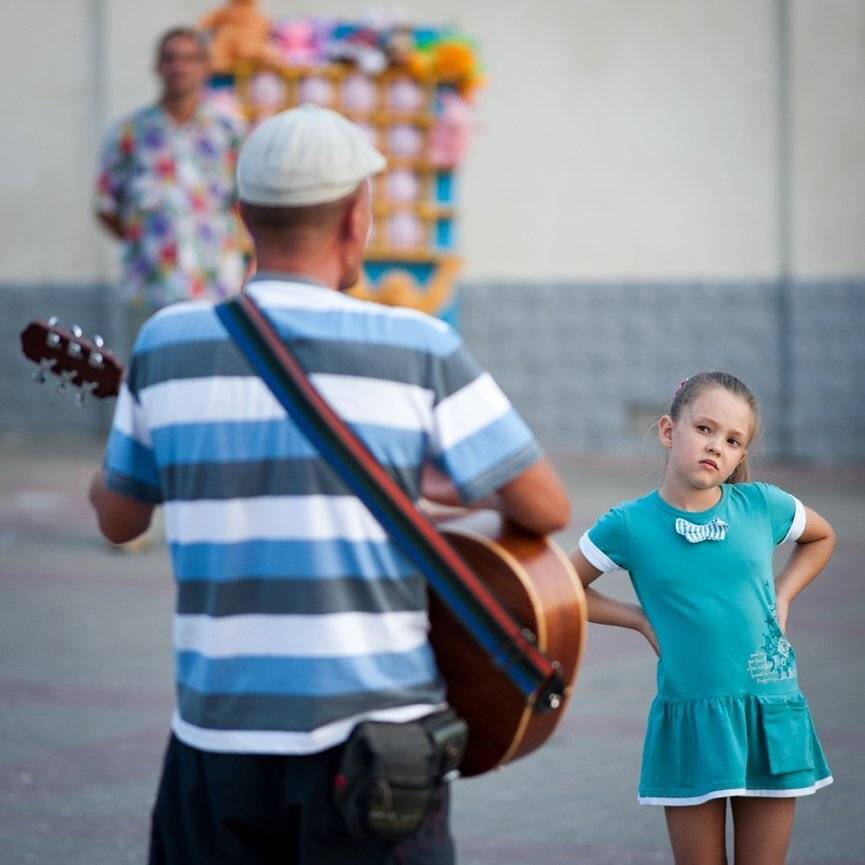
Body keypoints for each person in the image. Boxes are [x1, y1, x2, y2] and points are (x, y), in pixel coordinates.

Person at [88, 104, 571, 865]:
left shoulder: (165, 343)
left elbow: (117, 519)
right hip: (381, 749)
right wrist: (433, 482)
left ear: (245, 217)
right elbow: (547, 507)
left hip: (217, 744)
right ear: (357, 219)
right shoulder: (418, 344)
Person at [570, 371, 834, 865]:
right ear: (670, 431)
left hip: (769, 711)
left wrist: (785, 594)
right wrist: (639, 620)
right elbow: (562, 590)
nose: (717, 446)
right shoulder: (630, 523)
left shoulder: (762, 505)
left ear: (740, 455)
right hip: (691, 718)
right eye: (705, 429)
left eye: (733, 440)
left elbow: (822, 537)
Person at [94, 26, 247, 326]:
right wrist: (147, 239)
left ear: (205, 67)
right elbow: (106, 206)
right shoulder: (130, 133)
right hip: (150, 290)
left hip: (214, 288)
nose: (180, 67)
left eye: (190, 59)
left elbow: (245, 203)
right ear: (158, 66)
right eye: (171, 59)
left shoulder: (227, 132)